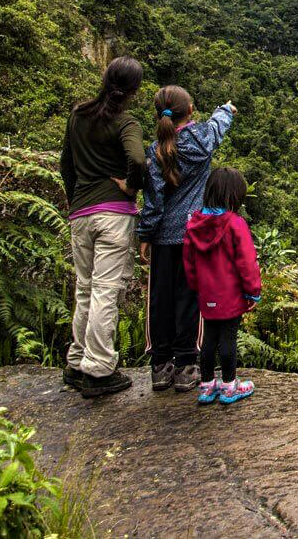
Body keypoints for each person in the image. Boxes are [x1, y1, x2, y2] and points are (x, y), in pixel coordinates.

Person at [138, 86, 236, 392]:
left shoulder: (155, 151)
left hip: (163, 237)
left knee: (160, 299)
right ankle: (185, 366)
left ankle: (160, 367)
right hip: (194, 237)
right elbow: (218, 126)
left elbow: (153, 200)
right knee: (190, 299)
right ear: (190, 111)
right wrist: (226, 108)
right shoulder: (201, 140)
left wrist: (145, 233)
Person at [60, 56, 146, 398]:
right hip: (113, 214)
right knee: (105, 290)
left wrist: (74, 200)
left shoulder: (78, 115)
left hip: (80, 212)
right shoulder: (126, 123)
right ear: (134, 91)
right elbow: (138, 161)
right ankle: (97, 370)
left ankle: (76, 362)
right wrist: (131, 186)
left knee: (84, 287)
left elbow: (66, 163)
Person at [184, 168, 262, 405]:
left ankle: (207, 385)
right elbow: (247, 261)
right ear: (234, 196)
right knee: (227, 339)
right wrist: (252, 292)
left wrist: (197, 287)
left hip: (206, 294)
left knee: (208, 340)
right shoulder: (235, 224)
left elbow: (189, 263)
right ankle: (229, 385)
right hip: (230, 296)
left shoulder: (194, 224)